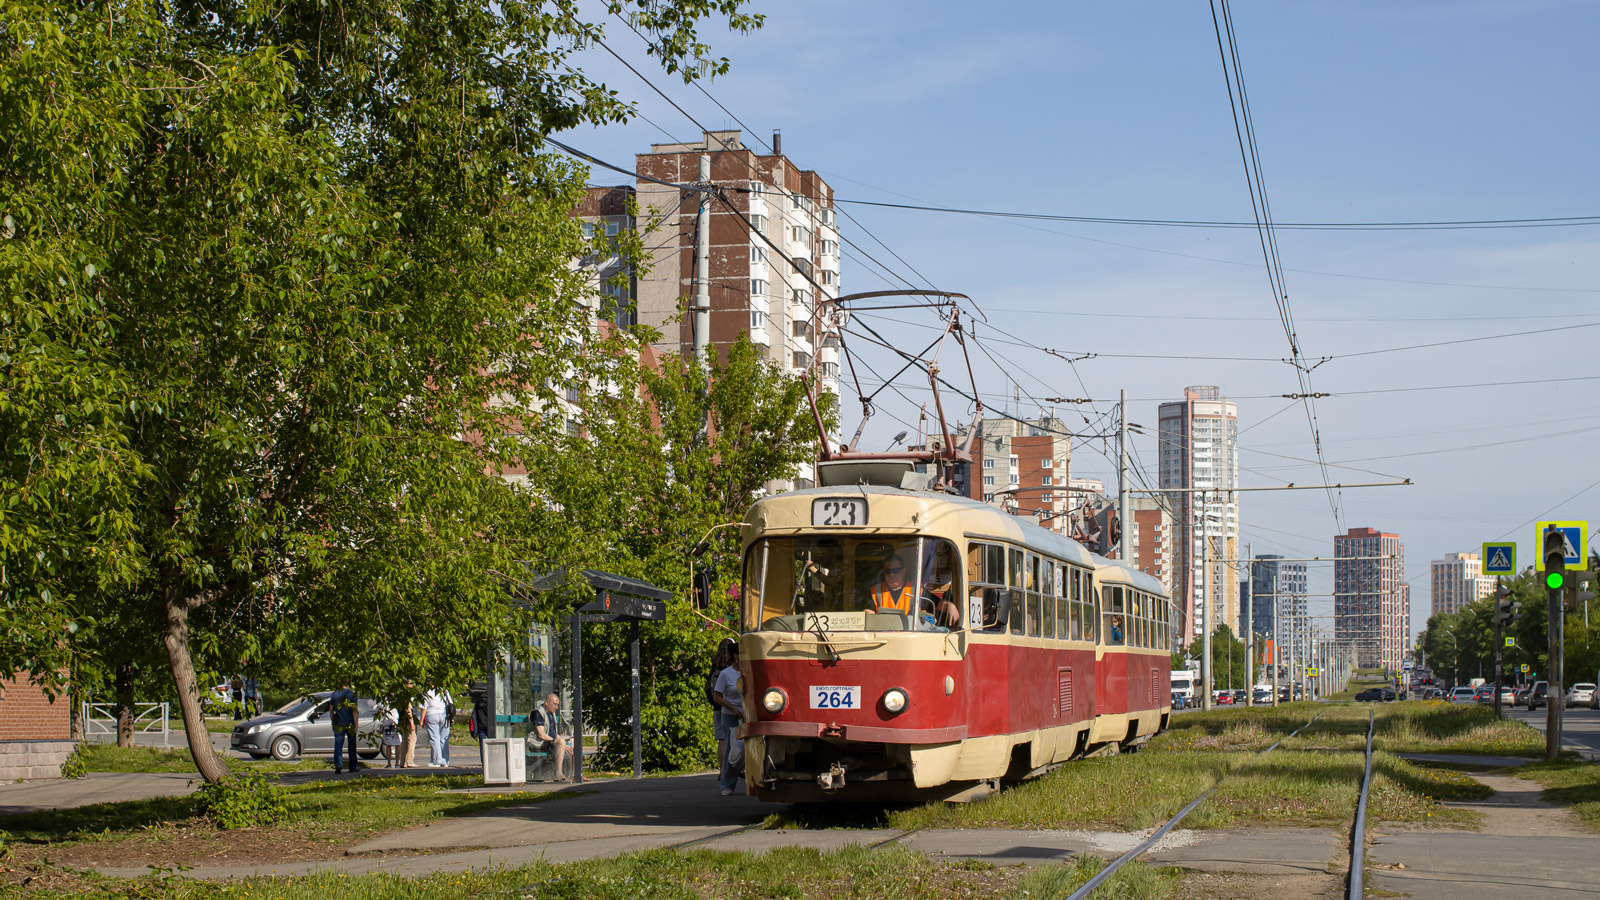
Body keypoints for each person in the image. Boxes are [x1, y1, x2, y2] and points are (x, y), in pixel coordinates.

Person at [712, 642, 744, 796]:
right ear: (736, 656)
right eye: (742, 654)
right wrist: (732, 708)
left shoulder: (749, 672)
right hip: (730, 715)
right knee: (732, 750)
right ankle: (727, 784)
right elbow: (717, 697)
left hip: (748, 714)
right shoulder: (726, 674)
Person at [707, 639, 737, 779]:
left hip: (717, 707)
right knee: (735, 739)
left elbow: (708, 690)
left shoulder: (715, 667)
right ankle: (736, 768)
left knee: (722, 739)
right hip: (732, 707)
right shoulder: (730, 669)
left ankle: (722, 770)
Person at [529, 693, 570, 781]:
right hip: (537, 744)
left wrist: (564, 743)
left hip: (547, 742)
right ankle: (558, 773)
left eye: (558, 705)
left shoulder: (551, 714)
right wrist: (561, 743)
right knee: (561, 743)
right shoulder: (537, 713)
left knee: (572, 741)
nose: (557, 707)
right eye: (555, 704)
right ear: (546, 703)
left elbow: (553, 734)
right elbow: (541, 735)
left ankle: (574, 774)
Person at [329, 678, 360, 774]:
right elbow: (355, 710)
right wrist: (356, 725)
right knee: (352, 745)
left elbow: (331, 710)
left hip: (338, 722)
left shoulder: (334, 694)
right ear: (349, 684)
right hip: (350, 722)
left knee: (338, 744)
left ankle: (338, 764)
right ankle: (352, 766)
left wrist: (333, 721)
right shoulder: (351, 694)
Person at [421, 687, 453, 768]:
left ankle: (437, 761)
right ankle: (445, 760)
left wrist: (421, 720)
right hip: (444, 715)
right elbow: (450, 704)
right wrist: (452, 717)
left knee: (434, 738)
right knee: (444, 738)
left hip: (431, 714)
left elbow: (424, 707)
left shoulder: (427, 691)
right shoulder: (444, 690)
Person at [376, 703, 401, 768]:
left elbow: (380, 710)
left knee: (391, 745)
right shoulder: (395, 700)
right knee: (395, 744)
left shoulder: (385, 700)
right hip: (394, 722)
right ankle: (395, 763)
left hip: (389, 722)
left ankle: (391, 763)